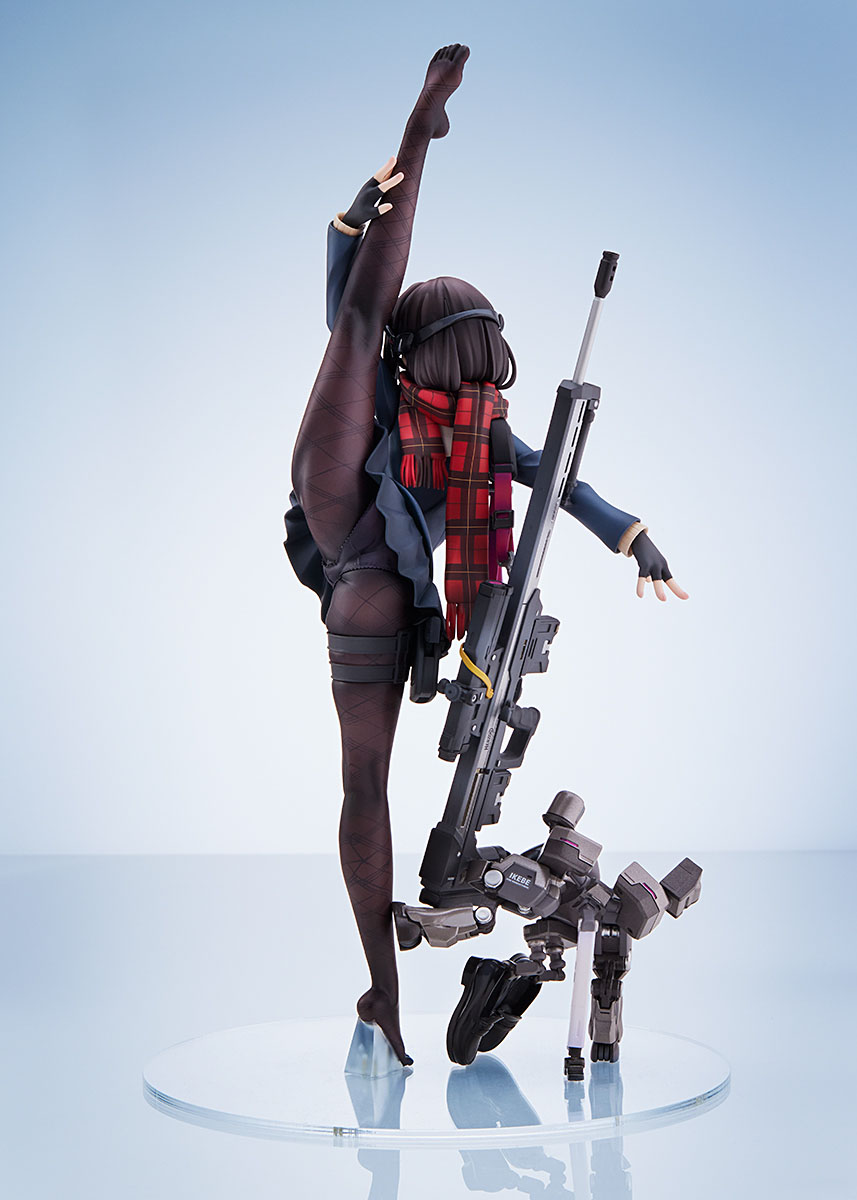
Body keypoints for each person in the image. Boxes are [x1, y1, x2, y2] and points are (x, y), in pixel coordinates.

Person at [285, 45, 687, 1066]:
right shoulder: (392, 394)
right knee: (350, 331)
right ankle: (418, 137)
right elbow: (353, 314)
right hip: (359, 552)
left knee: (369, 788)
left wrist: (631, 536)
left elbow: (556, 478)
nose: (478, 390)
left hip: (385, 598)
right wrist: (362, 211)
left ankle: (383, 993)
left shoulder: (474, 425)